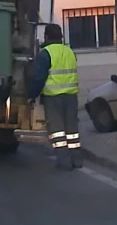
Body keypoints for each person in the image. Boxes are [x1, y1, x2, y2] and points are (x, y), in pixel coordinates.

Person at [28, 23, 83, 170]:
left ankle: (64, 162)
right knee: (72, 130)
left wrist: (31, 95)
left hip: (53, 97)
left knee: (57, 131)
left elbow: (38, 78)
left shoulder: (45, 53)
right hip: (71, 96)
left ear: (46, 36)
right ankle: (77, 160)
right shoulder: (70, 52)